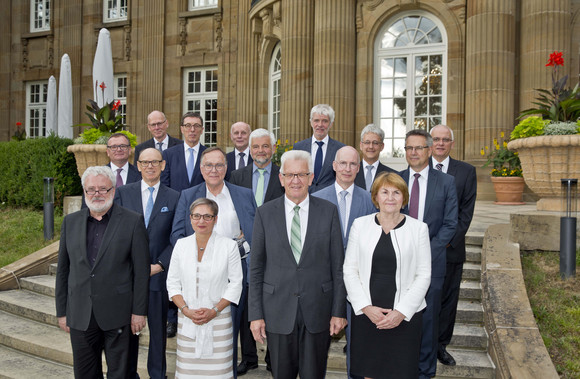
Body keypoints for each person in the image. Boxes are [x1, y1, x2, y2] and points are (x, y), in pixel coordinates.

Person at [249, 150, 347, 379]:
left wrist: (338, 311)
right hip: (277, 311)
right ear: (281, 178)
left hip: (318, 310)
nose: (296, 180)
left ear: (311, 178)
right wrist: (256, 315)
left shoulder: (328, 211)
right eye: (290, 175)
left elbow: (338, 266)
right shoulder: (264, 213)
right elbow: (255, 269)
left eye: (301, 174)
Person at [55, 166, 150, 378]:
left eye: (102, 189)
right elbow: (63, 270)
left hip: (120, 315)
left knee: (121, 373)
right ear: (84, 192)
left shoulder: (133, 221)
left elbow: (141, 271)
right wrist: (62, 312)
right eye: (91, 190)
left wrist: (139, 312)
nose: (97, 194)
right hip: (81, 315)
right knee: (85, 374)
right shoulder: (70, 223)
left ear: (113, 191)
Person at [171, 147, 256, 378]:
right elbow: (177, 234)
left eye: (219, 165)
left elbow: (255, 233)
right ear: (201, 169)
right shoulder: (188, 195)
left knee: (229, 333)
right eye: (208, 165)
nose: (214, 170)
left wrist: (237, 247)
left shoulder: (244, 194)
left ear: (226, 168)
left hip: (233, 274)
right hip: (195, 278)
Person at [343, 172, 431, 378]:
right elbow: (349, 270)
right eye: (385, 192)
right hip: (367, 315)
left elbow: (424, 274)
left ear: (404, 198)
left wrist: (400, 312)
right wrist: (366, 307)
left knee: (400, 372)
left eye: (396, 192)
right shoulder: (360, 225)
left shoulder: (418, 229)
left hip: (405, 315)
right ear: (376, 197)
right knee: (369, 371)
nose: (390, 198)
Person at [114, 148, 180, 379]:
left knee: (158, 333)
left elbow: (177, 237)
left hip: (158, 276)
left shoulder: (175, 197)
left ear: (163, 165)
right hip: (129, 276)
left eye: (155, 162)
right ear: (138, 166)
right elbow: (117, 232)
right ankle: (129, 374)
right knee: (128, 332)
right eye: (145, 162)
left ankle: (157, 375)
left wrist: (161, 264)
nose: (150, 166)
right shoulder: (123, 193)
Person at [312, 145, 376, 378]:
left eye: (352, 164)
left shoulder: (370, 200)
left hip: (359, 281)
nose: (347, 168)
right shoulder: (316, 198)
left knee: (358, 344)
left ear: (358, 168)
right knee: (318, 343)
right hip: (325, 282)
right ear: (334, 166)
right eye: (343, 163)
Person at [399, 129, 458, 379]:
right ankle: (400, 368)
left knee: (428, 320)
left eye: (419, 148)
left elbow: (450, 224)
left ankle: (425, 373)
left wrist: (424, 251)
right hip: (398, 263)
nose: (414, 152)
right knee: (400, 319)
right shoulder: (395, 180)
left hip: (431, 264)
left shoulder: (446, 182)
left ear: (430, 150)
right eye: (409, 148)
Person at [167, 197, 243, 378]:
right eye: (197, 216)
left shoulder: (229, 246)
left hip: (218, 321)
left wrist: (214, 311)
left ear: (216, 219)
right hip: (188, 321)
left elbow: (236, 283)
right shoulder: (181, 245)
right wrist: (186, 310)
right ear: (190, 218)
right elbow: (172, 283)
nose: (201, 221)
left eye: (207, 216)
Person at [229, 128, 283, 375]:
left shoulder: (283, 176)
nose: (260, 151)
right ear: (249, 150)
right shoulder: (236, 176)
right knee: (246, 305)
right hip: (244, 252)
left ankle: (274, 359)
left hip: (276, 249)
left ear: (273, 149)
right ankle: (249, 357)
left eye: (265, 146)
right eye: (256, 147)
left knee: (274, 304)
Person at [430, 125, 477, 367]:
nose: (440, 143)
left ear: (452, 143)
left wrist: (444, 242)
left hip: (450, 250)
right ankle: (419, 343)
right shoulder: (419, 169)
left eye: (445, 140)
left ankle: (440, 346)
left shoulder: (466, 172)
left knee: (447, 301)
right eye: (436, 139)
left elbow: (465, 214)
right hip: (420, 248)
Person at [292, 104, 345, 193]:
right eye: (316, 120)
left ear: (331, 124)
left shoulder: (340, 149)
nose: (320, 125)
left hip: (329, 200)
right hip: (304, 197)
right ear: (311, 122)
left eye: (325, 121)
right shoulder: (298, 147)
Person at [161, 112, 207, 192]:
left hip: (201, 202)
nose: (192, 130)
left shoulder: (208, 154)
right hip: (176, 202)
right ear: (182, 129)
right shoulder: (168, 154)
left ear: (202, 130)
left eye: (196, 126)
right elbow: (164, 185)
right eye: (188, 126)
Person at [354, 124, 396, 191]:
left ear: (382, 146)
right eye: (367, 142)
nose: (371, 146)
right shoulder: (350, 172)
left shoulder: (392, 175)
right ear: (361, 145)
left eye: (375, 143)